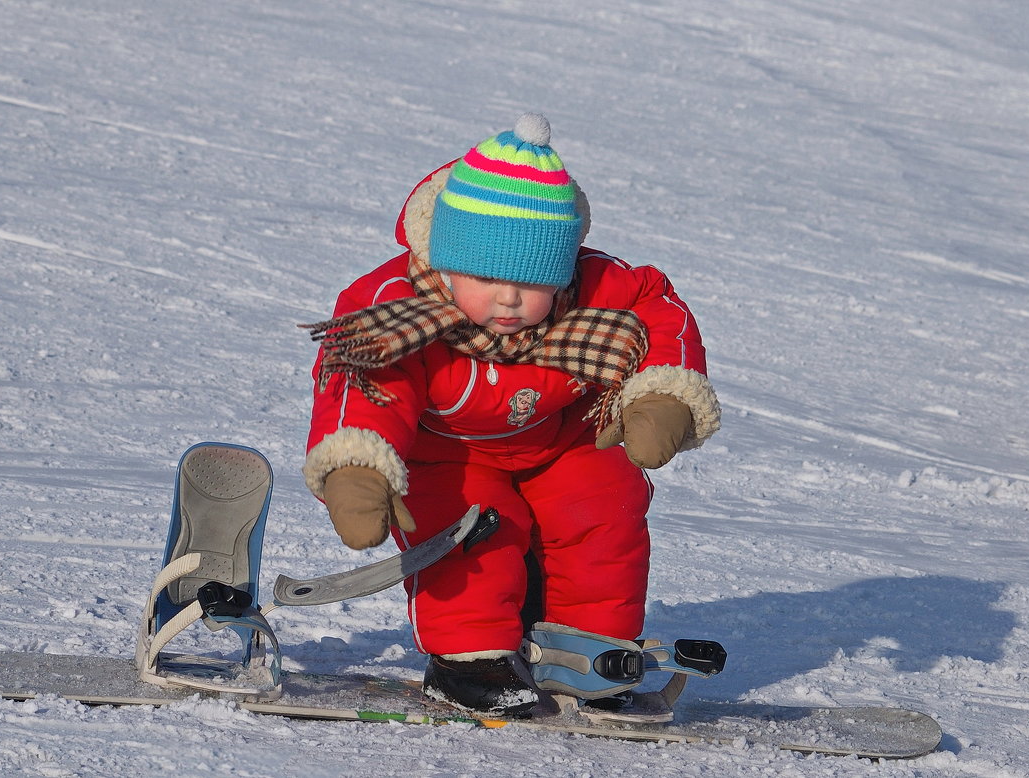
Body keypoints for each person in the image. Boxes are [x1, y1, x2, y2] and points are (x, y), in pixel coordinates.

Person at [302, 114, 720, 716]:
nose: (507, 298)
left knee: (603, 508)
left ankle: (587, 655)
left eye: (531, 282)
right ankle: (471, 659)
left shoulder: (599, 287)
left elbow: (660, 312)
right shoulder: (396, 308)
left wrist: (663, 397)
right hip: (447, 449)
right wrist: (357, 467)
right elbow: (370, 381)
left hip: (563, 440)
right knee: (473, 527)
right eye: (484, 277)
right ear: (445, 260)